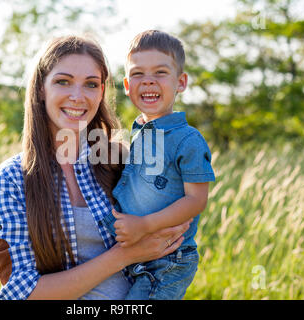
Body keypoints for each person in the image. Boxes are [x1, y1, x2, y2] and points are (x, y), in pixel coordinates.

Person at [0, 35, 192, 300]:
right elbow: (23, 292)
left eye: (91, 84)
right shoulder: (10, 180)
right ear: (41, 88)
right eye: (63, 81)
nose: (78, 96)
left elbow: (173, 234)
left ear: (102, 92)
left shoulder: (121, 160)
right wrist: (126, 254)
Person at [101, 30, 216, 300]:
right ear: (127, 86)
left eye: (160, 73)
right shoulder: (140, 132)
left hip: (168, 260)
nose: (148, 81)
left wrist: (144, 225)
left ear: (181, 82)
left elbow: (196, 200)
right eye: (138, 74)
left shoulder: (188, 139)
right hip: (138, 255)